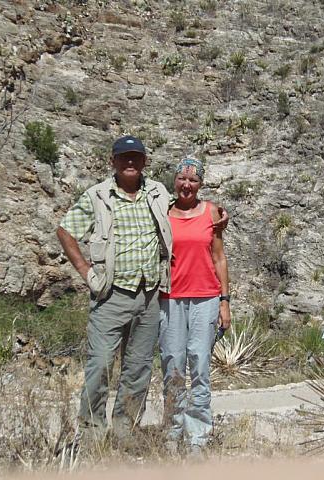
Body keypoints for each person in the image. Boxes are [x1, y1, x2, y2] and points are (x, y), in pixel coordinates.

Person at [56, 136, 226, 445]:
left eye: (136, 157)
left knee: (138, 370)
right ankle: (92, 436)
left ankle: (126, 432)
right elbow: (65, 230)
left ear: (145, 161)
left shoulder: (157, 193)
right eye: (124, 157)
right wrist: (85, 271)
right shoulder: (97, 196)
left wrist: (219, 215)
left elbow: (193, 211)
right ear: (113, 161)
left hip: (150, 297)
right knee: (101, 365)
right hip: (111, 295)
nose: (130, 162)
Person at [158, 158, 231, 456]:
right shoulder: (162, 212)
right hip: (170, 297)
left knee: (199, 363)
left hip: (206, 297)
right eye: (182, 179)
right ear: (174, 181)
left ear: (201, 184)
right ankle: (172, 433)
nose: (187, 185)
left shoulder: (212, 212)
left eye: (194, 180)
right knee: (172, 364)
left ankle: (198, 437)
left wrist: (225, 301)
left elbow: (219, 257)